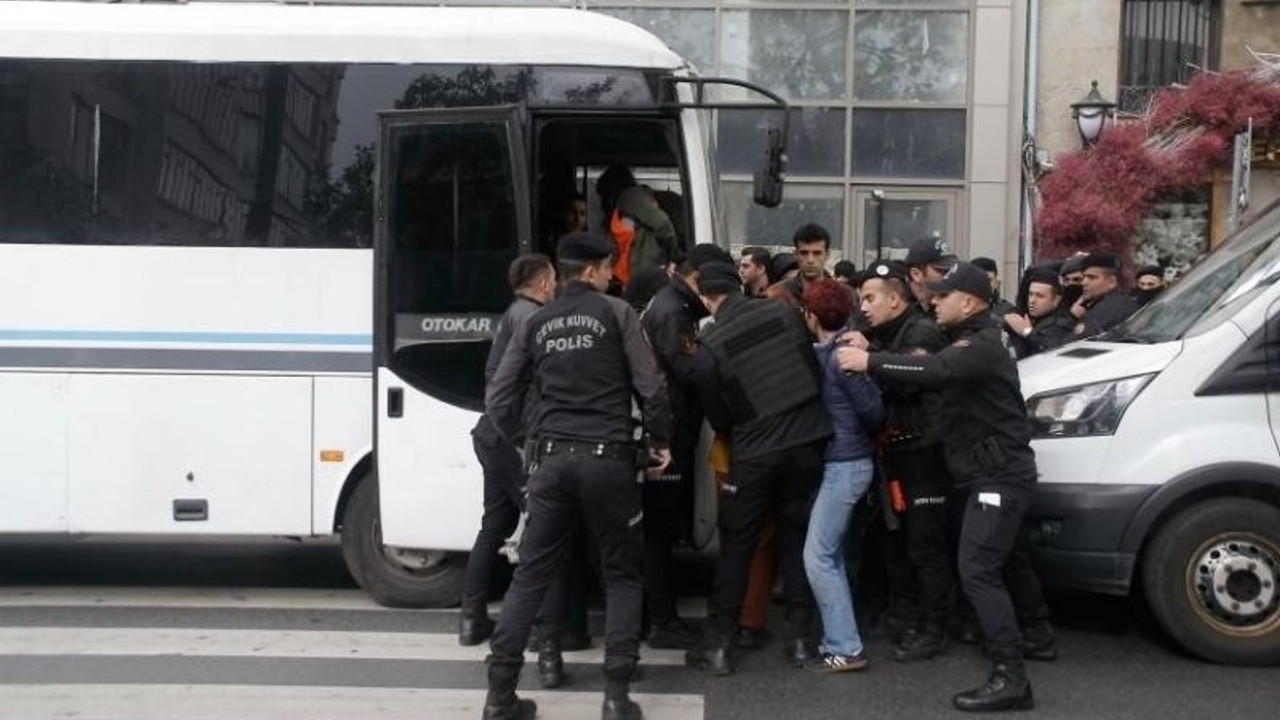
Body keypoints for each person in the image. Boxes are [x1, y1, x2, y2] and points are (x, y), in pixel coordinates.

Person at [837, 261, 1051, 712]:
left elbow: (934, 371)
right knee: (1007, 558)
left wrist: (868, 360)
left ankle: (1011, 678)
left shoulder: (982, 342)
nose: (934, 300)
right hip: (989, 472)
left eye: (944, 295)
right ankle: (1037, 636)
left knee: (976, 568)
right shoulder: (973, 338)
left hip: (998, 476)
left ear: (969, 302)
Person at [483, 231, 673, 720]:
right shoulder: (618, 313)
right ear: (591, 271)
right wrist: (659, 442)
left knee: (530, 575)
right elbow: (650, 387)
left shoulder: (536, 321)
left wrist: (528, 439)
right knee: (622, 575)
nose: (613, 276)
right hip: (609, 460)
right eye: (610, 268)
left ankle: (500, 697)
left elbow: (499, 399)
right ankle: (614, 696)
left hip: (550, 460)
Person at [686, 261, 832, 675]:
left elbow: (719, 417)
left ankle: (718, 647)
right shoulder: (786, 314)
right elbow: (810, 372)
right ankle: (801, 640)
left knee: (737, 548)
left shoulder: (711, 345)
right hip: (807, 445)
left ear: (707, 298)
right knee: (796, 543)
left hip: (754, 454)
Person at [852, 261, 954, 661]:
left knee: (925, 546)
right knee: (895, 542)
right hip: (895, 455)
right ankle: (904, 614)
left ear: (895, 300)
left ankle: (933, 628)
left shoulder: (921, 332)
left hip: (925, 456)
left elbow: (911, 378)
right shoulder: (878, 333)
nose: (863, 306)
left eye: (870, 298)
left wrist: (871, 356)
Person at [637, 243, 733, 650]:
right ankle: (660, 621)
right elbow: (690, 370)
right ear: (697, 279)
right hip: (669, 434)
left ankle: (656, 615)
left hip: (671, 429)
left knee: (661, 529)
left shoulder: (673, 303)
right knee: (658, 532)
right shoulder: (674, 311)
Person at [460, 253, 558, 647]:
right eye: (554, 279)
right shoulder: (531, 319)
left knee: (495, 524)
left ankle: (471, 618)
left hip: (489, 434)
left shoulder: (513, 313)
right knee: (542, 528)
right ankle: (539, 630)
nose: (557, 286)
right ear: (544, 283)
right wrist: (522, 442)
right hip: (509, 438)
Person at [801, 278, 884, 672]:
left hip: (845, 464)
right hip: (845, 463)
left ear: (812, 316)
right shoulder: (835, 351)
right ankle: (840, 641)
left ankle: (846, 648)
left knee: (817, 557)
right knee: (829, 555)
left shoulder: (840, 357)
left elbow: (873, 412)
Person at [596, 164, 678, 290]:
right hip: (640, 276)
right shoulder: (626, 209)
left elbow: (661, 223)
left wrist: (675, 256)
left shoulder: (630, 197)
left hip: (646, 275)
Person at [1004, 269, 1075, 359]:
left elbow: (1052, 353)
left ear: (1056, 300)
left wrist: (1027, 332)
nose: (1032, 301)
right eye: (1031, 294)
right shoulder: (1024, 315)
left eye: (1040, 296)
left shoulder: (1062, 325)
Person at [1071, 252, 1139, 338]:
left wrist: (1072, 319)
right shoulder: (1121, 303)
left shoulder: (1109, 309)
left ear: (1112, 281)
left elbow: (1074, 344)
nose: (1084, 282)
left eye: (1091, 277)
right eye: (1083, 277)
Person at [904, 237, 956, 317]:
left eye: (952, 270)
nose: (951, 275)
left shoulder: (948, 303)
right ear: (916, 274)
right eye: (943, 271)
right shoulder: (899, 309)